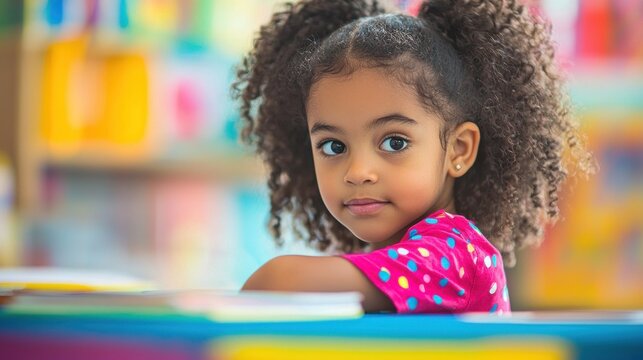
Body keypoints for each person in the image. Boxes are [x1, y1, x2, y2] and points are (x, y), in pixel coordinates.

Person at [232, 0, 593, 314]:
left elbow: (279, 280)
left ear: (458, 149)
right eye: (333, 147)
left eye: (394, 143)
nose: (358, 172)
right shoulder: (383, 263)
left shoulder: (458, 259)